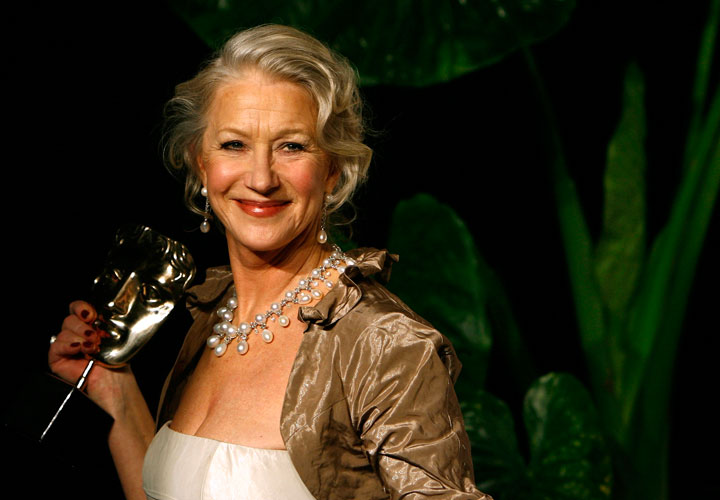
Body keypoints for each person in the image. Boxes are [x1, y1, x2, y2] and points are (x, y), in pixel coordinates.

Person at [48, 24, 491, 499]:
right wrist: (113, 389)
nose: (260, 178)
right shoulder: (212, 316)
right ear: (201, 163)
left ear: (333, 170)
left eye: (292, 146)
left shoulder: (384, 345)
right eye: (234, 144)